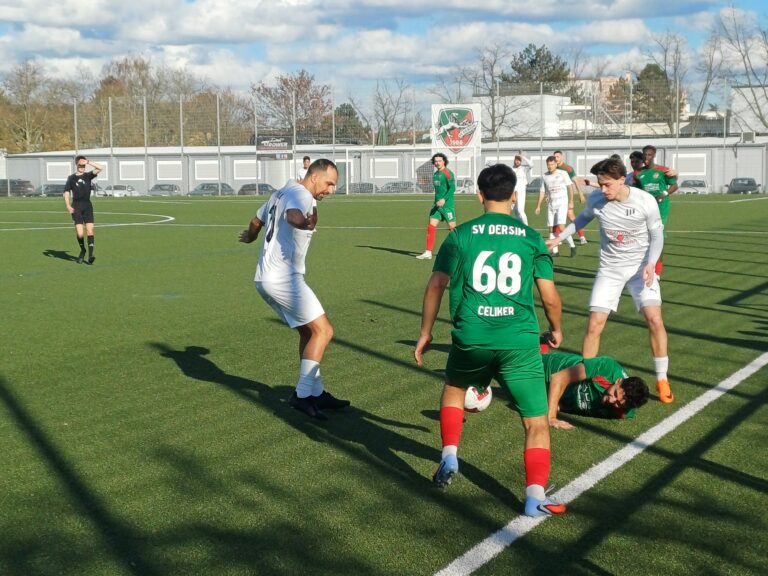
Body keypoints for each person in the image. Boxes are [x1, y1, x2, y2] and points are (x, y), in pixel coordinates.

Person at [414, 163, 567, 518]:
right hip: (519, 341)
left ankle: (450, 455)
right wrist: (556, 328)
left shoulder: (460, 235)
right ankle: (534, 497)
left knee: (454, 388)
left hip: (473, 337)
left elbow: (436, 285)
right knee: (536, 420)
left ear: (479, 195)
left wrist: (425, 333)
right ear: (515, 196)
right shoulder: (530, 238)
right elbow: (549, 295)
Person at [546, 157, 674, 404]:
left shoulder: (645, 201)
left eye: (606, 185)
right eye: (599, 184)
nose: (602, 190)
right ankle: (585, 381)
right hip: (610, 270)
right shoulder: (597, 200)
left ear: (622, 179)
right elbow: (583, 218)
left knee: (655, 320)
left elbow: (657, 236)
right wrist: (559, 238)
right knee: (594, 325)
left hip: (640, 269)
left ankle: (662, 378)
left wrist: (650, 263)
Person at [239, 159, 349, 419]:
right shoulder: (302, 195)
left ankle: (316, 391)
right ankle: (301, 396)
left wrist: (250, 237)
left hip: (265, 279)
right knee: (324, 331)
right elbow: (293, 216)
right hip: (284, 279)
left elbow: (256, 221)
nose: (331, 190)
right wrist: (305, 223)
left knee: (308, 332)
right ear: (314, 177)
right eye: (329, 183)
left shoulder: (281, 192)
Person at [542, 351, 650, 430]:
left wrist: (559, 405)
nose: (612, 401)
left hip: (549, 394)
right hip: (542, 369)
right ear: (618, 381)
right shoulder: (606, 367)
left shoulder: (624, 412)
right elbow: (558, 378)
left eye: (618, 403)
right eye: (615, 394)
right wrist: (551, 417)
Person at [635, 145, 678, 278]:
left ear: (653, 155)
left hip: (661, 208)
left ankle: (657, 273)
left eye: (649, 155)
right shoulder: (638, 173)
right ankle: (644, 267)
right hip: (645, 208)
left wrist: (663, 194)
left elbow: (675, 185)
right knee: (644, 237)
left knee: (658, 236)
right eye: (644, 155)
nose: (646, 157)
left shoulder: (662, 170)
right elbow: (637, 190)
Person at [416, 152, 456, 260]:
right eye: (436, 161)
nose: (437, 163)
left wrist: (444, 199)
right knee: (431, 226)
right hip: (437, 207)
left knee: (453, 230)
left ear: (444, 161)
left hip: (447, 206)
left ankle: (457, 252)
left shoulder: (448, 173)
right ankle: (428, 252)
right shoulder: (435, 174)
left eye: (439, 161)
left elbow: (452, 189)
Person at [535, 156, 577, 258]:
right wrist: (538, 206)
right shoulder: (544, 176)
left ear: (556, 164)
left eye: (552, 164)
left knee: (561, 227)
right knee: (551, 228)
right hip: (551, 204)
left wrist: (571, 201)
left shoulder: (562, 173)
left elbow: (570, 187)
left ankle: (572, 246)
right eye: (548, 165)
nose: (550, 166)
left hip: (562, 203)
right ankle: (555, 251)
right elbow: (542, 191)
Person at [63, 155, 102, 264]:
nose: (82, 168)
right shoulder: (71, 178)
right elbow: (66, 192)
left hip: (87, 206)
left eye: (83, 166)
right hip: (76, 206)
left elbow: (100, 168)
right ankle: (83, 250)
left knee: (90, 230)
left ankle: (90, 255)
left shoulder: (88, 176)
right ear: (76, 165)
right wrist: (68, 205)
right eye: (80, 166)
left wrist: (88, 161)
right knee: (80, 234)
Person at [554, 150, 587, 245]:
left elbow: (576, 181)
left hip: (566, 196)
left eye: (558, 156)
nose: (556, 158)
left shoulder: (567, 168)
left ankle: (582, 237)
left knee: (571, 217)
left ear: (562, 157)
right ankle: (557, 237)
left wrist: (580, 194)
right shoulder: (553, 168)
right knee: (556, 217)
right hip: (556, 196)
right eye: (555, 157)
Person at [511, 151, 532, 225]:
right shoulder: (511, 169)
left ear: (521, 161)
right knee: (515, 211)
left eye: (519, 160)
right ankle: (521, 226)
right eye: (516, 160)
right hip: (513, 191)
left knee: (520, 210)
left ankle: (526, 227)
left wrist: (523, 157)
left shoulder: (524, 168)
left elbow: (531, 165)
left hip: (521, 191)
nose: (517, 161)